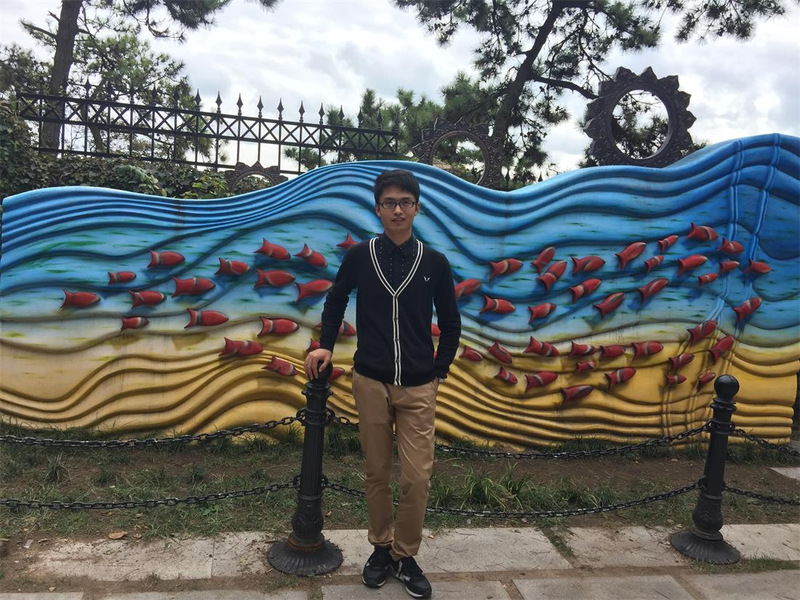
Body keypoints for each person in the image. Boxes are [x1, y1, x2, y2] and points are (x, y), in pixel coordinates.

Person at [305, 169, 461, 599]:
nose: (397, 210)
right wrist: (325, 345)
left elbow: (450, 322)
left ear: (417, 208)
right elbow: (336, 299)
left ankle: (405, 555)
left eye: (405, 202)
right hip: (370, 380)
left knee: (417, 478)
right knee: (376, 473)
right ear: (377, 209)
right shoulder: (361, 256)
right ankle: (380, 548)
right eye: (389, 202)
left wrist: (439, 370)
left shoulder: (434, 262)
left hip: (418, 386)